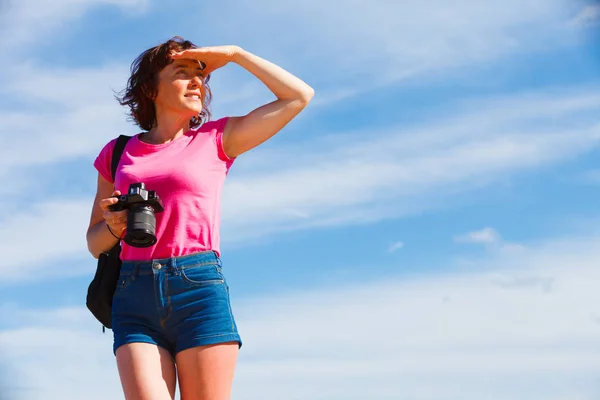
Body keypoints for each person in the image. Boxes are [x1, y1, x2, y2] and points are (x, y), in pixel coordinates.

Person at [85, 36, 314, 400]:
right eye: (182, 73)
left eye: (202, 76)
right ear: (150, 90)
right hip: (134, 291)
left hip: (199, 288)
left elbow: (298, 96)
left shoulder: (216, 139)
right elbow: (94, 243)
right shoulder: (117, 152)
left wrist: (237, 55)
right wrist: (114, 228)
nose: (197, 82)